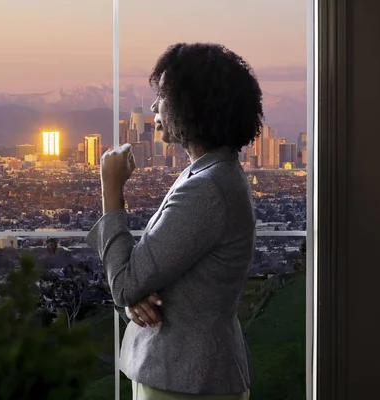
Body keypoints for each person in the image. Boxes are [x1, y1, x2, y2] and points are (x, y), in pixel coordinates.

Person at [86, 42, 263, 400]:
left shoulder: (207, 189)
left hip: (184, 379)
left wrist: (111, 189)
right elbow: (139, 282)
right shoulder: (211, 175)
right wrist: (134, 298)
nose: (153, 106)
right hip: (183, 373)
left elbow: (125, 283)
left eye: (162, 95)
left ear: (190, 104)